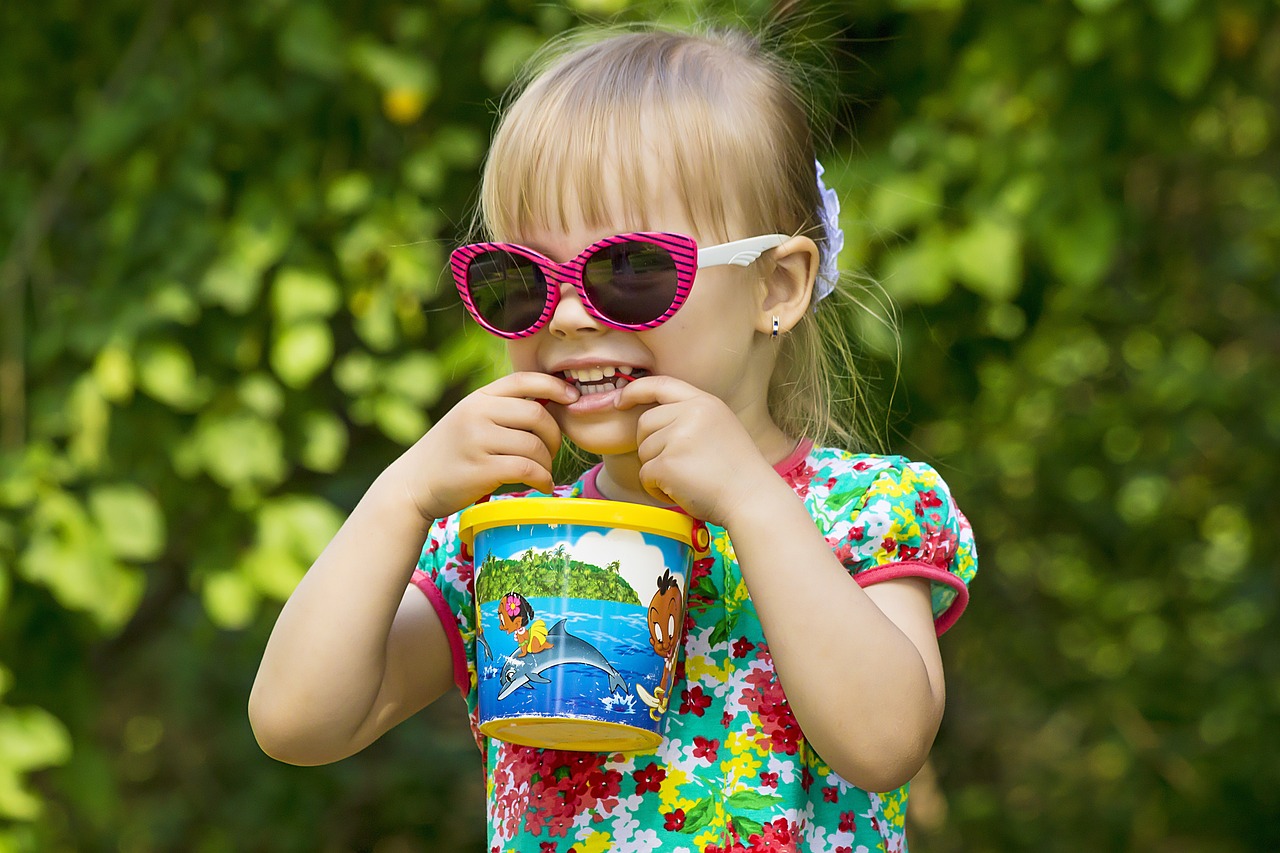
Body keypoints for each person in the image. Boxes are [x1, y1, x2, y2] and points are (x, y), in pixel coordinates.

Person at [250, 22, 977, 853]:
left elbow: (885, 743)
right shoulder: (505, 544)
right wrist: (405, 494)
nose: (563, 314)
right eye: (520, 279)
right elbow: (295, 721)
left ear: (776, 285)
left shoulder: (862, 512)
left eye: (630, 271)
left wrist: (747, 497)